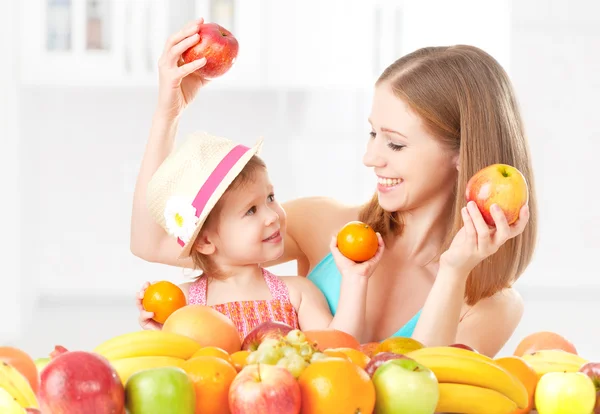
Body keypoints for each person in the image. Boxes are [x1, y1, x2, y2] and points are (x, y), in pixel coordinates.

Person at [130, 18, 537, 357]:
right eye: (372, 134)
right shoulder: (324, 223)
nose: (371, 158)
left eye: (394, 143)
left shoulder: (491, 303)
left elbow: (424, 388)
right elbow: (152, 243)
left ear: (463, 155)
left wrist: (453, 270)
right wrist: (169, 112)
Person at [135, 130, 384, 342]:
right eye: (251, 210)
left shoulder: (297, 293)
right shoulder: (184, 304)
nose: (272, 216)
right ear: (206, 241)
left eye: (270, 198)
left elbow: (339, 348)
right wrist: (164, 334)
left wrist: (355, 279)